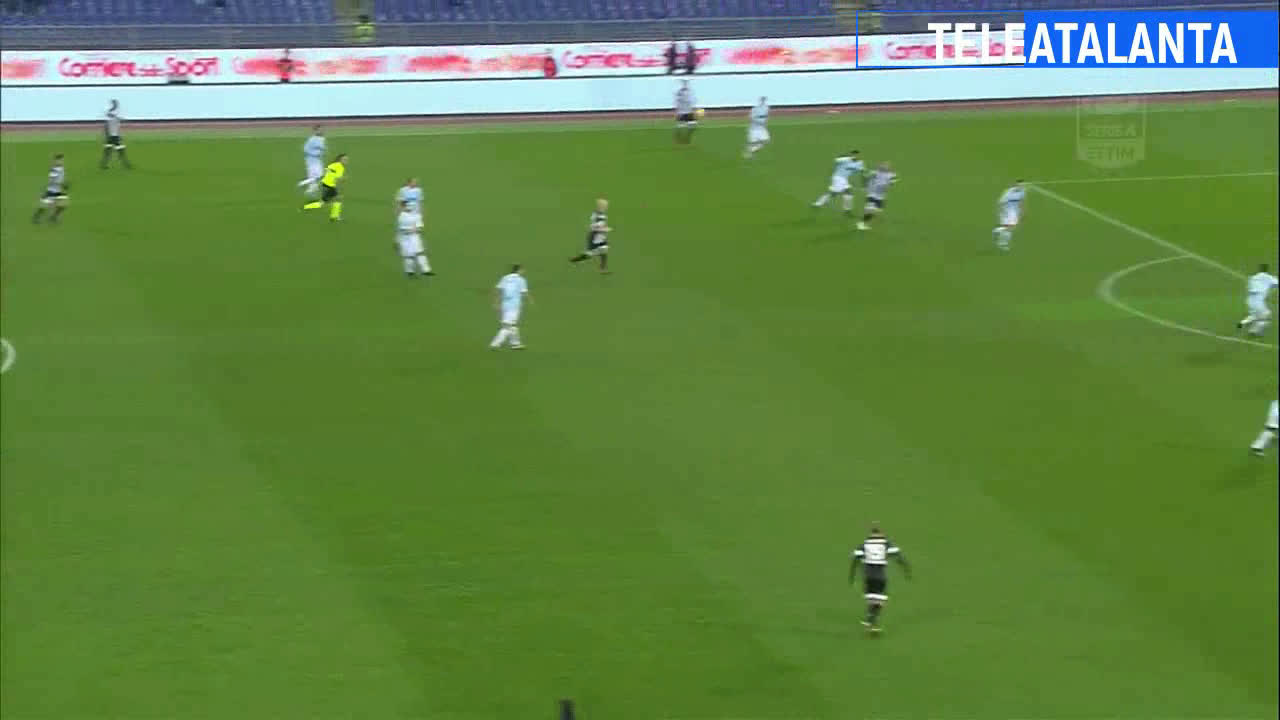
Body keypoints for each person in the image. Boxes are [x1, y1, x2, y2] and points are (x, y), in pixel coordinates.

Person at [848, 523, 911, 633]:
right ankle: (872, 622)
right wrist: (906, 569)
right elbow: (899, 557)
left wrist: (852, 576)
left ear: (871, 534)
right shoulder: (886, 543)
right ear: (881, 533)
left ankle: (870, 620)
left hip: (868, 575)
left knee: (871, 599)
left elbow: (855, 561)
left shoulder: (863, 545)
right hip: (880, 575)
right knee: (880, 600)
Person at [490, 265, 531, 350]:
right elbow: (524, 292)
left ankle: (516, 344)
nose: (523, 271)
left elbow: (499, 290)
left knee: (512, 325)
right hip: (514, 306)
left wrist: (496, 302)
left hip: (505, 305)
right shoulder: (521, 280)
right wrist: (530, 300)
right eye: (522, 270)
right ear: (519, 270)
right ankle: (495, 344)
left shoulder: (505, 278)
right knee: (507, 326)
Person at [811, 151, 863, 215]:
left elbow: (860, 170)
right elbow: (836, 160)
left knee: (848, 193)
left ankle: (847, 210)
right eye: (854, 154)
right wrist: (847, 158)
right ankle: (817, 204)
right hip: (838, 177)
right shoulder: (845, 159)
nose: (856, 156)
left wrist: (860, 171)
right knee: (833, 193)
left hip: (844, 179)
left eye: (857, 155)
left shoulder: (859, 163)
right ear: (851, 154)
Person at [569, 198, 612, 273]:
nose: (606, 207)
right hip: (595, 237)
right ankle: (575, 260)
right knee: (591, 254)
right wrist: (606, 229)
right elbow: (595, 227)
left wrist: (603, 230)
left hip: (600, 236)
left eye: (606, 205)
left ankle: (603, 269)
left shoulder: (600, 214)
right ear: (600, 206)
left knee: (604, 250)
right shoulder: (599, 216)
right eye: (604, 205)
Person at [302, 153, 347, 221]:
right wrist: (343, 179)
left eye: (346, 159)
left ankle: (334, 216)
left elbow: (327, 170)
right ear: (340, 159)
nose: (346, 161)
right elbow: (338, 178)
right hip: (329, 186)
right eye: (344, 159)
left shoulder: (333, 164)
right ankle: (305, 207)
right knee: (322, 203)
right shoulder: (340, 167)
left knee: (338, 199)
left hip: (327, 184)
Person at [1237, 263, 1278, 337]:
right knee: (1266, 315)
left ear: (1259, 269)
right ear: (1267, 270)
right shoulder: (1268, 277)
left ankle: (1242, 323)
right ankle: (1253, 331)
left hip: (1249, 300)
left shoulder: (1253, 277)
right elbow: (1276, 283)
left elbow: (1250, 287)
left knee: (1255, 315)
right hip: (1258, 300)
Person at [395, 200, 431, 277]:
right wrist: (411, 231)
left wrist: (416, 230)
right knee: (409, 255)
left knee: (420, 253)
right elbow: (402, 230)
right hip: (405, 238)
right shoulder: (402, 217)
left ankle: (426, 270)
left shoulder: (416, 215)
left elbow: (420, 227)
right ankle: (409, 271)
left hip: (415, 237)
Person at [857, 161, 897, 231]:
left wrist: (889, 183)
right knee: (871, 209)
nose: (885, 167)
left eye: (886, 166)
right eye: (883, 166)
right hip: (872, 194)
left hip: (881, 196)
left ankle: (865, 220)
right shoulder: (874, 173)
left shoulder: (891, 175)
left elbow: (891, 183)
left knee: (877, 210)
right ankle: (861, 223)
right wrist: (864, 186)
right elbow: (865, 177)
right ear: (880, 167)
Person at [31, 153, 68, 224]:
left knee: (63, 204)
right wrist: (62, 184)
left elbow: (61, 178)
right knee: (47, 206)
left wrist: (64, 183)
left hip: (58, 191)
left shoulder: (61, 168)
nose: (61, 161)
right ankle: (36, 217)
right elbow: (52, 181)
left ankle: (53, 217)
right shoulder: (54, 170)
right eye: (59, 160)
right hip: (51, 191)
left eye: (62, 160)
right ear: (56, 161)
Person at [993, 180, 1026, 252]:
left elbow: (1021, 202)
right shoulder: (1009, 192)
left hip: (1015, 212)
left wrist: (1022, 211)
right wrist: (1003, 211)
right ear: (1016, 185)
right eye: (1020, 185)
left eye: (1022, 185)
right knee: (1009, 228)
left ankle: (997, 231)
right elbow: (1001, 202)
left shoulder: (1022, 192)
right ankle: (1003, 244)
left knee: (1009, 227)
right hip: (1007, 211)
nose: (1021, 187)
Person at [100, 100, 131, 169]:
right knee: (119, 150)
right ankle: (126, 164)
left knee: (109, 150)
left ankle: (103, 164)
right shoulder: (110, 113)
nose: (116, 105)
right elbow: (107, 124)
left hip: (114, 136)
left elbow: (115, 125)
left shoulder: (113, 114)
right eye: (115, 104)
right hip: (113, 136)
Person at [297, 125, 326, 194]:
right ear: (315, 131)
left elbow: (321, 149)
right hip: (311, 161)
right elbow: (305, 149)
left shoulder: (322, 139)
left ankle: (311, 190)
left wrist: (321, 153)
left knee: (316, 176)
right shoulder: (312, 139)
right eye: (319, 130)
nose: (321, 131)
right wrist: (315, 154)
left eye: (321, 129)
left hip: (318, 160)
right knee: (319, 176)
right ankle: (302, 183)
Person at [674, 80, 697, 145]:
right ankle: (678, 138)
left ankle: (687, 138)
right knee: (680, 126)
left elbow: (692, 101)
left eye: (686, 83)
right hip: (682, 112)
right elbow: (677, 101)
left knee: (693, 126)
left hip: (689, 111)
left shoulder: (689, 91)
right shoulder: (679, 92)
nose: (685, 85)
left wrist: (693, 108)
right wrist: (677, 111)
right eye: (684, 83)